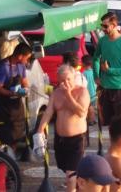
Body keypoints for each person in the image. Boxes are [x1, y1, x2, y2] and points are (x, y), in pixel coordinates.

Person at [35, 64, 90, 192]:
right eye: (62, 81)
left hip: (77, 139)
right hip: (60, 139)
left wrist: (68, 95)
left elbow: (81, 112)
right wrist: (39, 131)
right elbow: (48, 113)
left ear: (74, 77)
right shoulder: (56, 93)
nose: (66, 83)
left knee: (70, 176)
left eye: (68, 79)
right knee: (69, 171)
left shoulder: (82, 92)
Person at [92, 12, 121, 127]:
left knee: (119, 123)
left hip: (119, 87)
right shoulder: (102, 41)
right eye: (102, 25)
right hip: (104, 87)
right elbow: (95, 58)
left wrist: (109, 71)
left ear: (114, 25)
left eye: (105, 26)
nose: (103, 29)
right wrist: (96, 76)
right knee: (107, 123)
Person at [0, 44, 32, 152]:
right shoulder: (3, 67)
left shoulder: (21, 66)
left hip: (16, 109)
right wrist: (12, 93)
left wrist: (26, 90)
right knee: (4, 139)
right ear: (20, 56)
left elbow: (24, 81)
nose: (27, 61)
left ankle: (11, 160)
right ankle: (3, 162)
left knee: (15, 138)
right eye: (26, 58)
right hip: (2, 109)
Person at [81, 55, 97, 123]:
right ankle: (93, 120)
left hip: (88, 94)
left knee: (88, 108)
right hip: (94, 92)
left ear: (83, 64)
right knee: (92, 107)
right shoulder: (94, 72)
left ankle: (90, 120)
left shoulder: (83, 74)